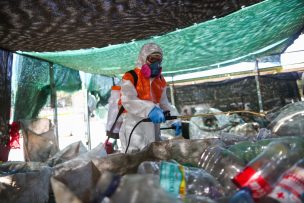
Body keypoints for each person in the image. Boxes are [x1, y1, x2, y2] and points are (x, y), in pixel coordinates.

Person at [119, 42, 181, 153]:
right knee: (134, 164)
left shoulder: (160, 81)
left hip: (153, 132)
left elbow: (164, 104)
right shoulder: (131, 76)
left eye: (159, 60)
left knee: (151, 164)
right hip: (134, 131)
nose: (156, 64)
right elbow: (128, 100)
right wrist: (150, 109)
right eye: (153, 59)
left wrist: (174, 120)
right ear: (143, 59)